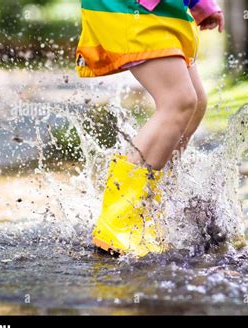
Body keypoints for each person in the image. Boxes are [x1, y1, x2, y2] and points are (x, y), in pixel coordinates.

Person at [76, 0, 224, 256]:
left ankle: (153, 206)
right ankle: (119, 220)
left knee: (195, 103)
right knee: (178, 100)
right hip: (134, 7)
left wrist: (200, 4)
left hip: (163, 8)